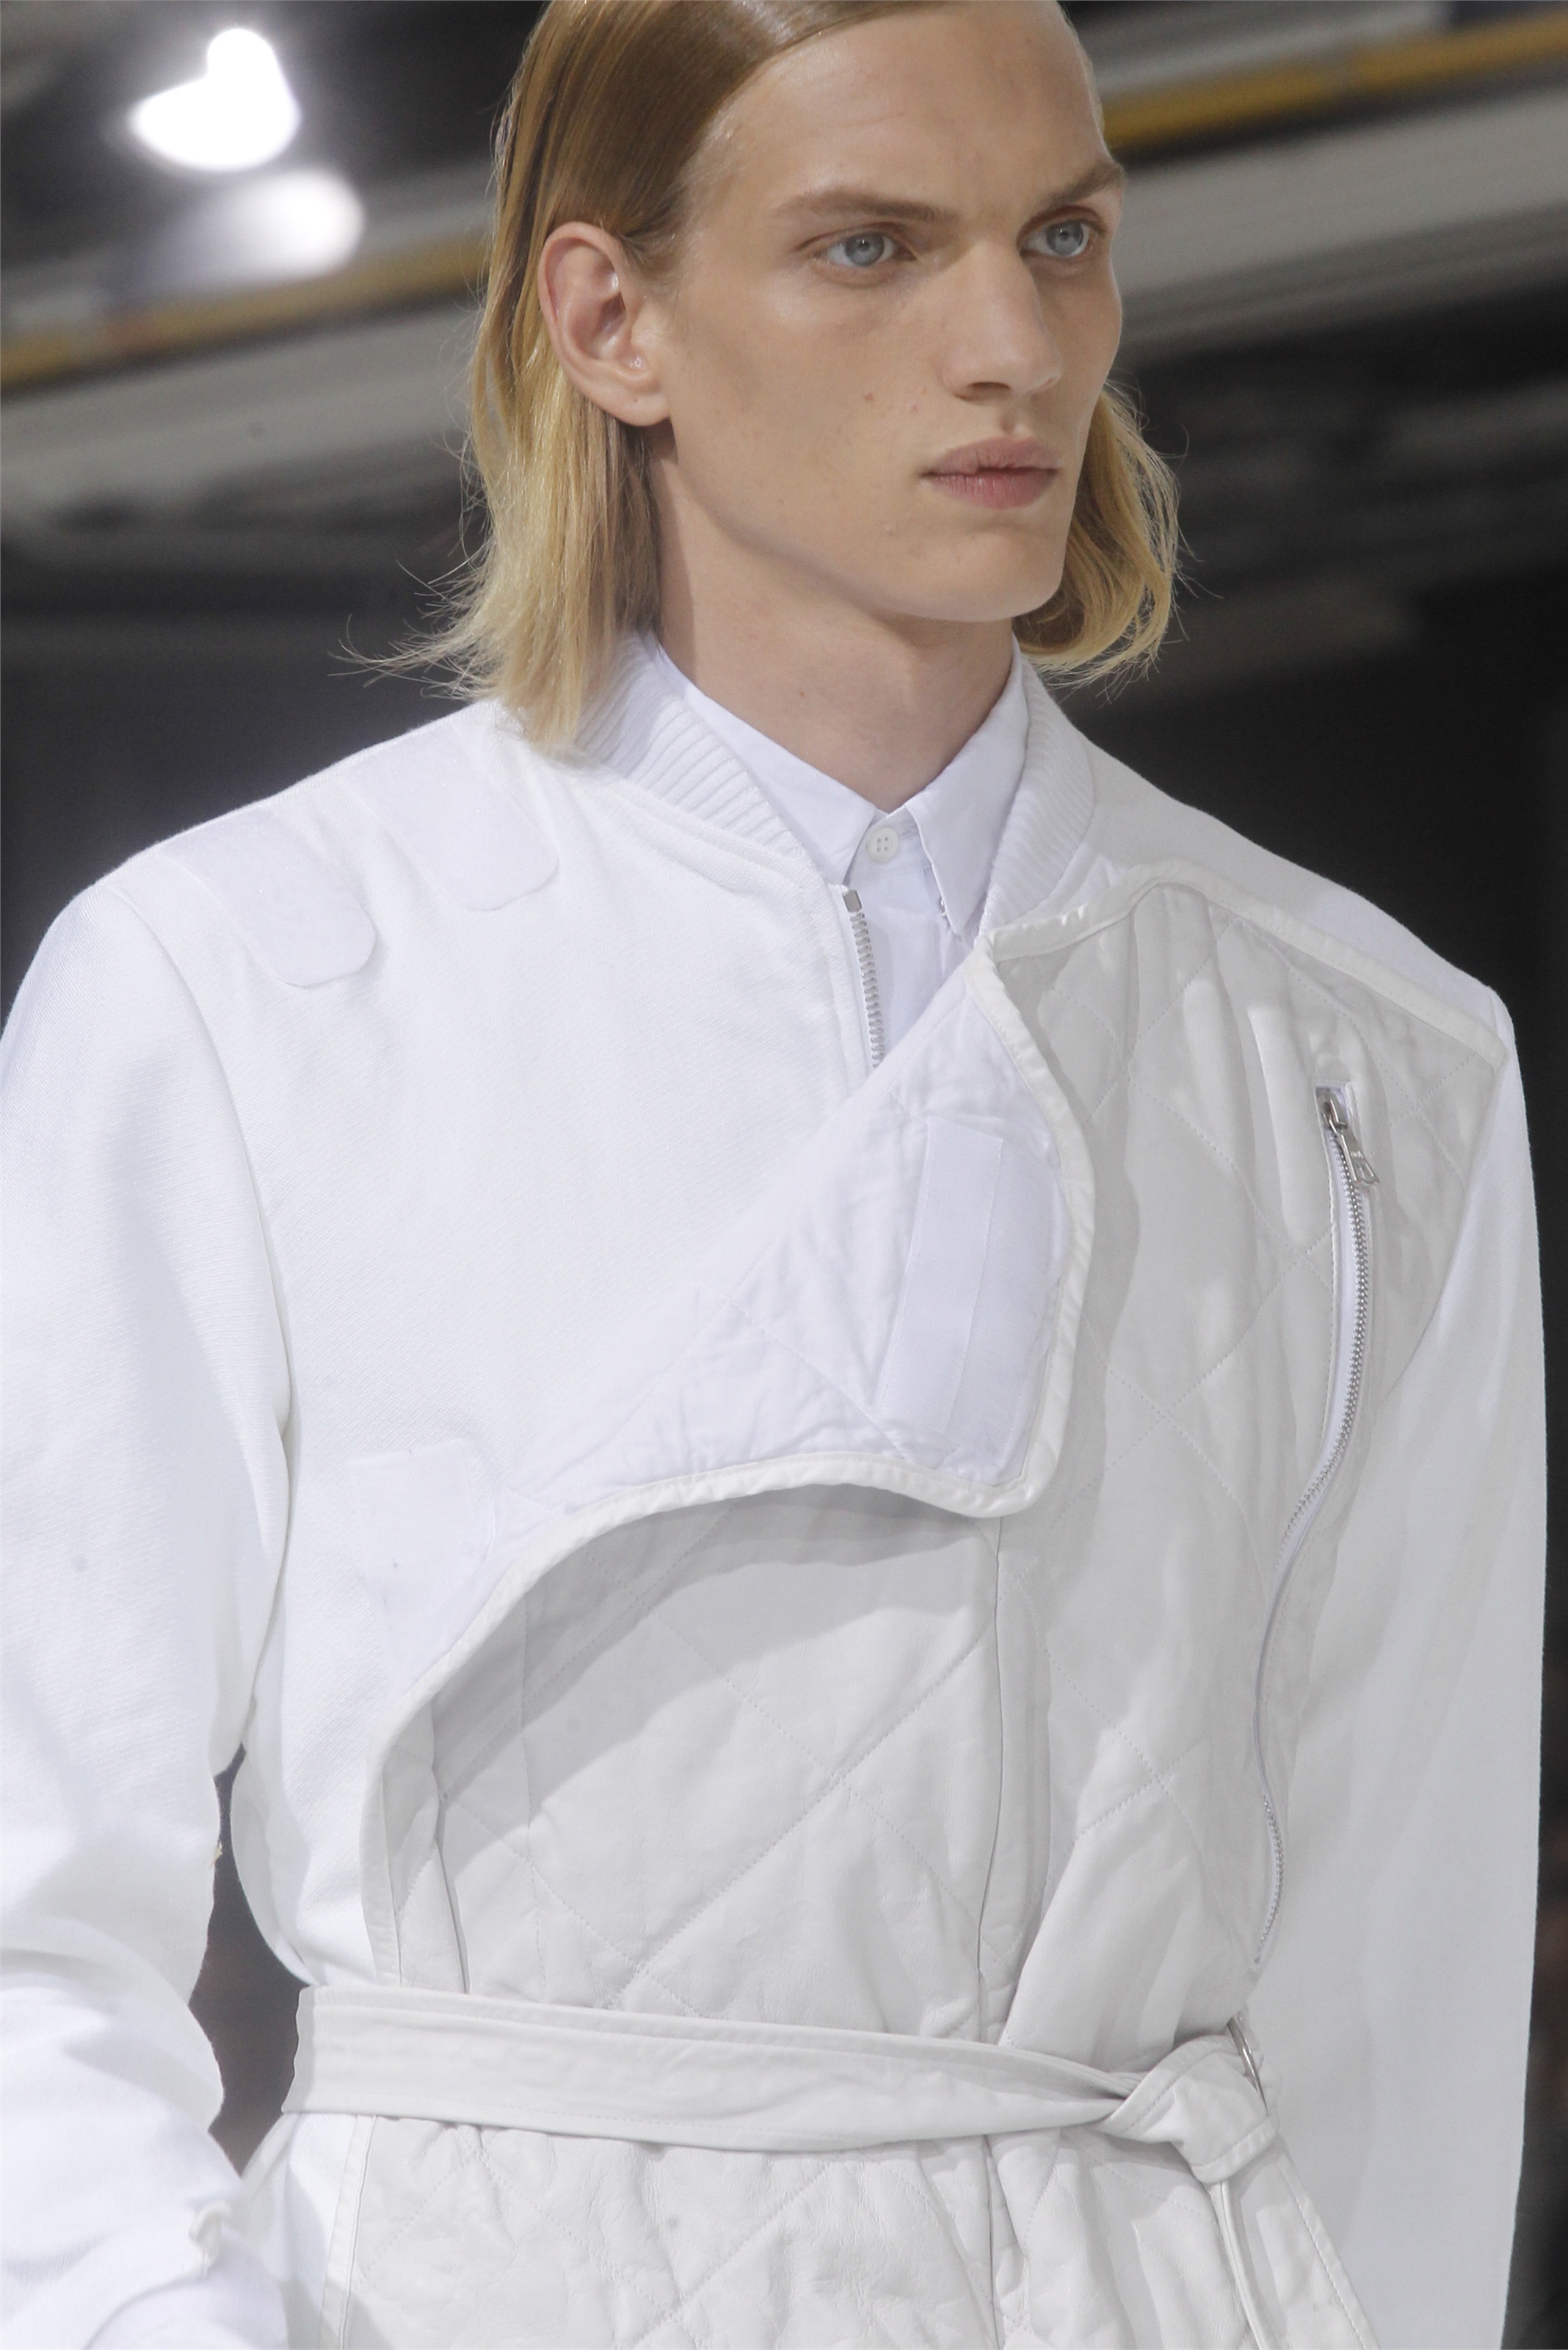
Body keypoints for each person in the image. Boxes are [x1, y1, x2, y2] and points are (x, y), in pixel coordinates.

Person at [1, 1, 1544, 2344]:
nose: (1013, 344)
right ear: (609, 318)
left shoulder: (1366, 1051)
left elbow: (1397, 1982)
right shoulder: (245, 980)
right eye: (869, 247)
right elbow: (33, 1906)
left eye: (1062, 238)